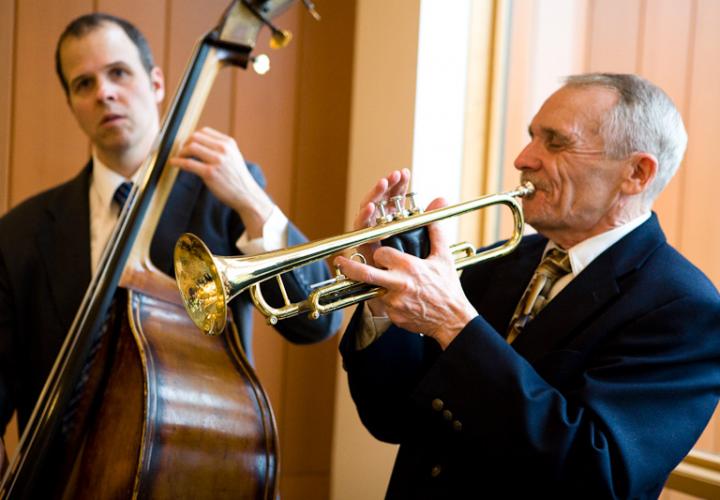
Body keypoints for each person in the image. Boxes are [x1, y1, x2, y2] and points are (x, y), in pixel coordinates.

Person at [336, 74, 720, 498]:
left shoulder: (685, 309)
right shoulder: (505, 258)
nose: (522, 159)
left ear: (636, 173)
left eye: (555, 142)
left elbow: (597, 475)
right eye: (531, 138)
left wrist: (454, 325)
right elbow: (392, 418)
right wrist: (382, 298)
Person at [0, 13, 340, 471]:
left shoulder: (224, 197)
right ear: (72, 104)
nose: (104, 93)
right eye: (84, 84)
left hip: (199, 472)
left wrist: (251, 201)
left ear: (157, 82)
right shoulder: (19, 233)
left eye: (118, 73)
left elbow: (314, 323)